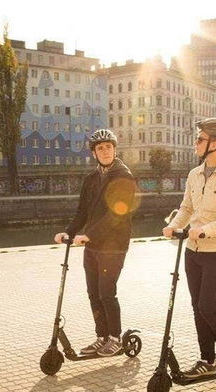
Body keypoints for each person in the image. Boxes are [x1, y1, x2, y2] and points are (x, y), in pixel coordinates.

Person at [163, 118, 216, 379]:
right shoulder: (194, 174)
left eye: (200, 139)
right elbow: (187, 207)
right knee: (197, 306)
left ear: (215, 143)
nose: (195, 143)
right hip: (193, 250)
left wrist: (206, 230)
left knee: (208, 305)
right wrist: (174, 226)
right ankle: (207, 359)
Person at [53, 129, 137, 357]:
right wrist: (68, 232)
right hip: (92, 246)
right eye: (100, 148)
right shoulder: (91, 179)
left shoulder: (124, 176)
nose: (105, 151)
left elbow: (117, 214)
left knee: (107, 293)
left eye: (109, 147)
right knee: (93, 293)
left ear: (115, 149)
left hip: (114, 245)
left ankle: (115, 339)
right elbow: (83, 211)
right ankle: (101, 337)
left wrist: (90, 234)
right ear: (94, 153)